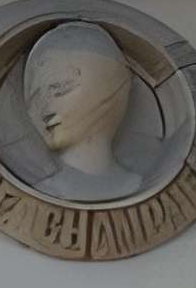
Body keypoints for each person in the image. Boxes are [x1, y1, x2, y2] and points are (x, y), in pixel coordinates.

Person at [19, 18, 146, 199]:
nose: (45, 108)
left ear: (106, 85)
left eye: (60, 88)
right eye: (34, 98)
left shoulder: (138, 184)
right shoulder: (43, 192)